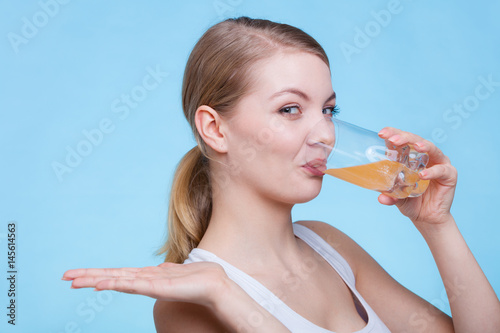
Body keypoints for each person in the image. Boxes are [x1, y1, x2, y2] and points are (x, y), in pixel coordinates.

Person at [62, 17, 500, 332]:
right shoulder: (190, 304)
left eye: (329, 109)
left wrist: (437, 225)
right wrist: (228, 296)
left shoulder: (329, 245)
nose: (326, 134)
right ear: (215, 129)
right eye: (290, 109)